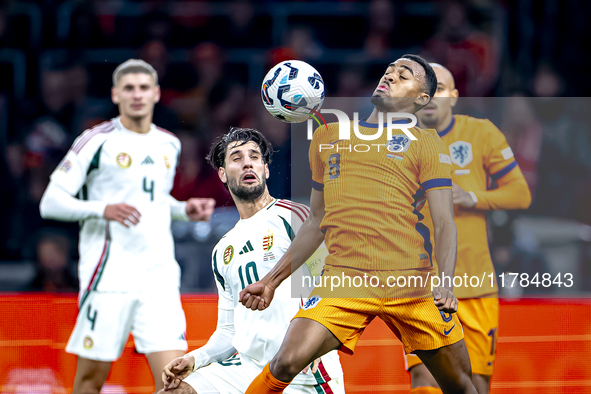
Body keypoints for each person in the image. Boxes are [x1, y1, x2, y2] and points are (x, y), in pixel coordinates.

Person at [240, 54, 478, 394]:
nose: (390, 76)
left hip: (413, 282)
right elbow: (317, 220)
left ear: (422, 99)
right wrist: (272, 281)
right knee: (285, 362)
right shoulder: (328, 137)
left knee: (462, 385)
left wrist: (446, 282)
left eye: (404, 75)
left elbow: (444, 222)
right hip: (345, 278)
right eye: (389, 71)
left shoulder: (427, 144)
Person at [39, 59, 215, 394]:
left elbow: (154, 202)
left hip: (159, 279)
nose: (137, 94)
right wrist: (102, 209)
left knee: (176, 382)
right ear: (116, 94)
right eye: (129, 88)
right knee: (89, 382)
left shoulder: (169, 144)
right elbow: (50, 202)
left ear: (157, 93)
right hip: (108, 280)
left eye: (144, 87)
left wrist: (183, 210)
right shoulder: (95, 140)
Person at [160, 127, 344, 394]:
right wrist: (195, 359)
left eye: (255, 156)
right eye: (236, 157)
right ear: (222, 174)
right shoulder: (223, 249)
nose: (247, 162)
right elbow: (228, 331)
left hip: (303, 373)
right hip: (245, 369)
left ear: (266, 170)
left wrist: (314, 343)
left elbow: (336, 281)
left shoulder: (294, 217)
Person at [404, 64, 531, 394]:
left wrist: (472, 197)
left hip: (475, 283)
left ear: (455, 97)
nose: (432, 97)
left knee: (474, 385)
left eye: (441, 89)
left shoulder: (481, 132)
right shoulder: (398, 142)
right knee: (424, 380)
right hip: (422, 284)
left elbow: (521, 194)